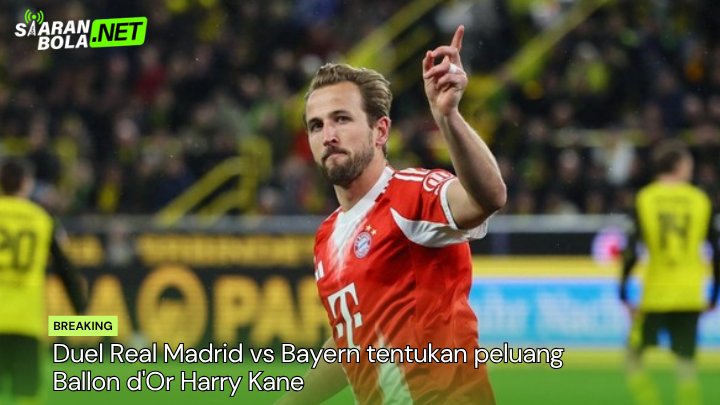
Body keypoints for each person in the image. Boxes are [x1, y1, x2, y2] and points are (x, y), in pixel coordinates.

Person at [276, 25, 506, 405]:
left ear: (380, 131)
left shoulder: (409, 194)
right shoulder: (326, 237)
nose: (328, 135)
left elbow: (488, 197)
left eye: (341, 119)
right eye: (316, 125)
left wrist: (448, 117)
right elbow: (352, 340)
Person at [620, 140, 719, 405]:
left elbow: (631, 251)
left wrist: (624, 292)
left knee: (632, 356)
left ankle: (649, 400)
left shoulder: (645, 198)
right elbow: (716, 250)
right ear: (679, 165)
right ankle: (689, 401)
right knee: (686, 362)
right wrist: (714, 294)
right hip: (690, 292)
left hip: (656, 292)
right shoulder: (700, 200)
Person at [0, 159, 87, 405]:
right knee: (28, 395)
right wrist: (80, 308)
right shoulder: (42, 219)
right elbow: (65, 269)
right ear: (26, 184)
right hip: (26, 323)